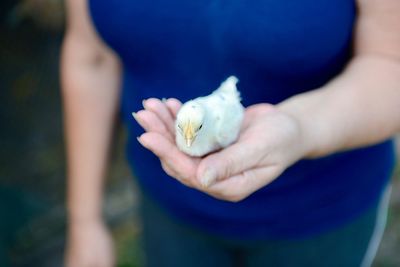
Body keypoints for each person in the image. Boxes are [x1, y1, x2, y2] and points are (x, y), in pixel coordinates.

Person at [62, 0, 400, 266]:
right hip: (167, 202)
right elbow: (90, 57)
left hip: (319, 216)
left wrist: (299, 129)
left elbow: (390, 64)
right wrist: (84, 220)